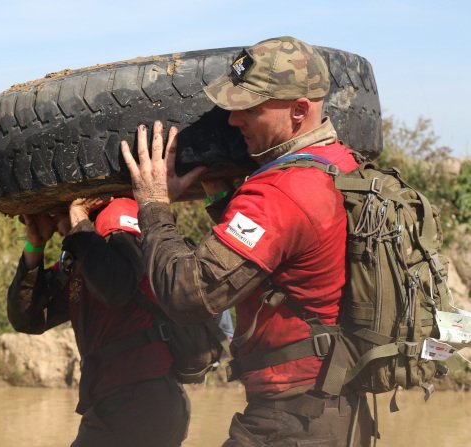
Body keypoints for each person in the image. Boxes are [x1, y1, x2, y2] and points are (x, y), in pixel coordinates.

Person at [120, 36, 373, 446]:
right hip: (338, 410)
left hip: (291, 420)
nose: (234, 121)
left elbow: (188, 295)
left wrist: (153, 205)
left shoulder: (281, 191)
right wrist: (222, 198)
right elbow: (285, 260)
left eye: (249, 109)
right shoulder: (343, 165)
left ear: (298, 111)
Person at [7, 197, 190, 447]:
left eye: (52, 214)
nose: (51, 223)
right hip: (113, 400)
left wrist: (78, 221)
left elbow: (117, 287)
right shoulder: (82, 256)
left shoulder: (118, 215)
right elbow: (27, 319)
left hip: (141, 398)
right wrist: (34, 247)